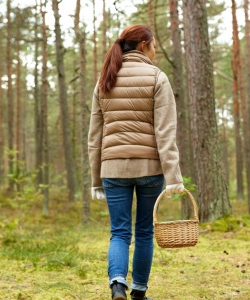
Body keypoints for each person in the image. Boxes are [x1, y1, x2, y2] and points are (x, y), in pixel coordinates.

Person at [88, 24, 184, 300]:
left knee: (119, 232)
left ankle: (117, 284)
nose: (155, 51)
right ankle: (139, 292)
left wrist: (96, 180)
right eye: (154, 45)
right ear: (143, 45)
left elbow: (94, 137)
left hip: (112, 167)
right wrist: (174, 177)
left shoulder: (105, 79)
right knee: (143, 232)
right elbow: (165, 133)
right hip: (149, 168)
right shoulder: (157, 77)